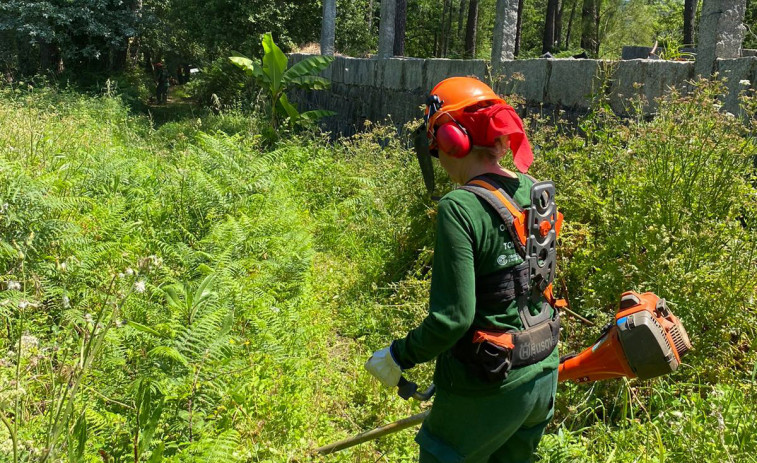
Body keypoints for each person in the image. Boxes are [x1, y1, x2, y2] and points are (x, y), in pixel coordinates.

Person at [365, 77, 561, 463]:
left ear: (453, 140)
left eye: (437, 147)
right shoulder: (534, 190)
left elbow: (453, 319)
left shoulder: (460, 205)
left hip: (488, 384)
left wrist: (398, 356)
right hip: (542, 371)